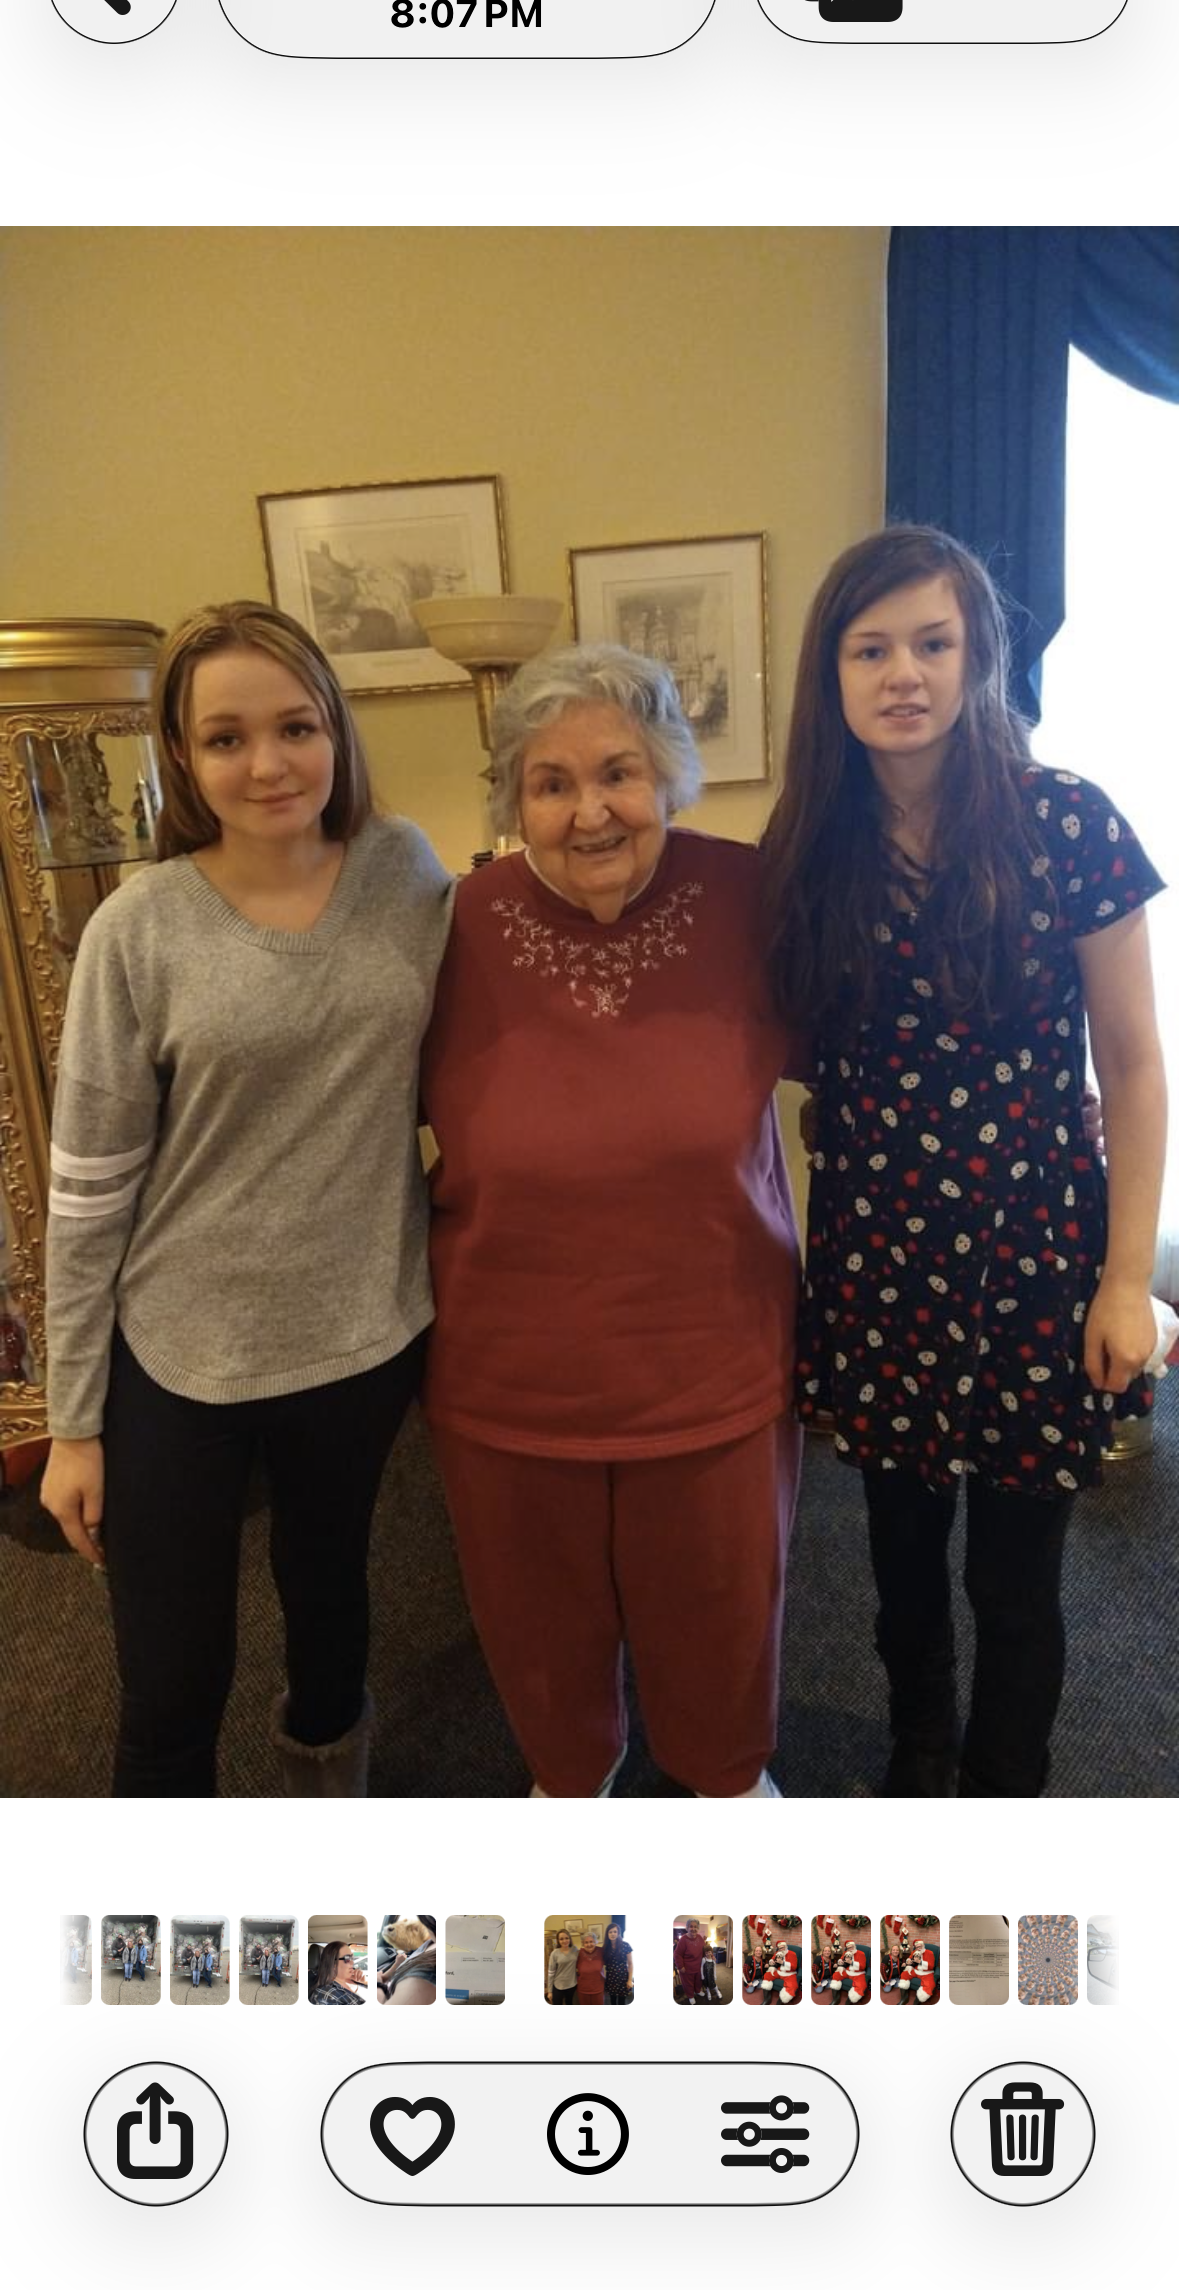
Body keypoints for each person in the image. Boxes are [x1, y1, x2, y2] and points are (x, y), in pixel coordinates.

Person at [762, 525, 1167, 1799]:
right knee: (894, 1561)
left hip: (1036, 1252)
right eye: (870, 647)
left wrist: (1124, 1279)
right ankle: (916, 1754)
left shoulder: (1068, 821)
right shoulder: (810, 843)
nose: (904, 674)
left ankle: (1004, 1803)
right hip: (878, 1254)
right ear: (832, 673)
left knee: (1016, 1579)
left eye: (932, 643)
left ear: (977, 654)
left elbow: (1134, 1062)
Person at [39, 602, 454, 1799]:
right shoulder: (138, 929)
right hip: (178, 1357)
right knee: (172, 1675)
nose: (267, 764)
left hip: (362, 1337)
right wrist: (73, 1421)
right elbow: (86, 1192)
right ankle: (155, 1948)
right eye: (226, 738)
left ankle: (325, 1829)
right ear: (180, 755)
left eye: (295, 726)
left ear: (335, 731)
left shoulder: (405, 871)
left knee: (332, 1610)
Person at [421, 643, 806, 1798]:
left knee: (725, 1617)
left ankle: (730, 1785)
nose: (590, 811)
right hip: (507, 1374)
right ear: (514, 802)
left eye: (619, 773)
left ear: (672, 778)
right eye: (550, 783)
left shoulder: (751, 899)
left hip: (713, 1359)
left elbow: (880, 1044)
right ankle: (568, 1785)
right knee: (539, 1633)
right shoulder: (450, 925)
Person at [377, 1916, 436, 2005]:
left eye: (415, 1929)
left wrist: (378, 1984)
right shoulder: (428, 1944)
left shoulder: (428, 1975)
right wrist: (397, 1964)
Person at [310, 1940, 364, 2004]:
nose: (352, 1962)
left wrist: (364, 1983)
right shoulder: (326, 1996)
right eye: (347, 1958)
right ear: (333, 1964)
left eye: (352, 1957)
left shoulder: (354, 1981)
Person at [673, 1919, 706, 2004]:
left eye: (695, 1927)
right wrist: (680, 1966)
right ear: (687, 1928)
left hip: (699, 1966)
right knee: (688, 1983)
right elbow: (677, 1954)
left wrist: (711, 1956)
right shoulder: (683, 1939)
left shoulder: (699, 1937)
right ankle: (690, 1996)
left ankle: (698, 1991)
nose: (693, 1929)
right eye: (691, 1926)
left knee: (698, 1981)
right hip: (687, 1968)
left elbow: (705, 1949)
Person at [602, 1923, 633, 2003]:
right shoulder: (605, 1947)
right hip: (610, 1979)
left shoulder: (625, 1945)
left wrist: (629, 1980)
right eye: (610, 1932)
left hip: (623, 1979)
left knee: (621, 2001)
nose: (613, 1934)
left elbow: (630, 1964)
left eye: (615, 1932)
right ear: (607, 1934)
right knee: (612, 2001)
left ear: (618, 1933)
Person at [546, 1928, 578, 2004]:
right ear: (558, 1941)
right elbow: (551, 1973)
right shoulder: (554, 1953)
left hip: (572, 1985)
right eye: (561, 1939)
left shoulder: (575, 1950)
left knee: (569, 2003)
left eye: (566, 1938)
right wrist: (550, 1991)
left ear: (570, 1938)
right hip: (558, 1985)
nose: (564, 1941)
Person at [575, 1928, 605, 2002]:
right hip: (583, 1989)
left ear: (595, 1942)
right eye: (586, 1942)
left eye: (591, 1942)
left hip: (598, 1989)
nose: (589, 1944)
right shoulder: (578, 1953)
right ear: (583, 1943)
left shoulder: (601, 1951)